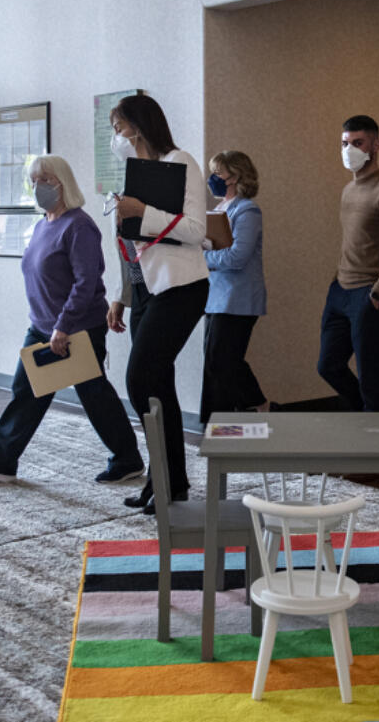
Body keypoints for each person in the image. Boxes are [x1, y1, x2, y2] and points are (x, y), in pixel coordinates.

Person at [0, 155, 142, 483]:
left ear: (63, 183)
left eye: (45, 180)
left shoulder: (79, 226)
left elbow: (86, 282)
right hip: (43, 325)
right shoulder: (43, 224)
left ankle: (127, 459)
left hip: (76, 328)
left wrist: (63, 326)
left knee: (93, 394)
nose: (38, 187)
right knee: (28, 391)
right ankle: (0, 461)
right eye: (33, 181)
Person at [108, 94, 209, 514]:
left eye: (118, 128)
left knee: (139, 378)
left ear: (139, 126)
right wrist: (121, 296)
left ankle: (165, 478)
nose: (116, 137)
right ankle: (168, 481)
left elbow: (197, 229)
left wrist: (141, 211)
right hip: (148, 289)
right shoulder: (137, 175)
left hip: (182, 286)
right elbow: (133, 248)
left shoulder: (180, 160)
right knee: (158, 385)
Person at [316, 115, 379, 412]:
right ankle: (364, 417)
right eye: (345, 143)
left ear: (376, 144)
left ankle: (378, 440)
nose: (349, 149)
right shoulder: (348, 190)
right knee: (328, 365)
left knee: (370, 373)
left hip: (371, 293)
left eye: (357, 143)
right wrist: (336, 282)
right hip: (340, 290)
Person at [200, 150, 269, 423]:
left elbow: (237, 257)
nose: (213, 178)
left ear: (235, 175)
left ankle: (242, 414)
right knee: (219, 360)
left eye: (218, 172)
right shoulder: (217, 211)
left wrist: (201, 257)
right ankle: (244, 413)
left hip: (239, 299)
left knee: (222, 361)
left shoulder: (248, 210)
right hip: (216, 297)